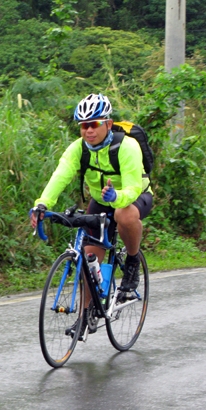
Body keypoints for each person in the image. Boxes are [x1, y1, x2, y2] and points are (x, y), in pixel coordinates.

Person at [30, 93, 153, 340]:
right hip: (100, 199)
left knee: (123, 214)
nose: (88, 130)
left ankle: (131, 263)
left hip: (133, 196)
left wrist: (115, 198)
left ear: (108, 123)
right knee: (88, 257)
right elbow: (60, 176)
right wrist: (42, 204)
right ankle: (86, 315)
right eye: (84, 125)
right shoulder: (78, 149)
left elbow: (131, 188)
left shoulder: (127, 146)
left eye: (94, 124)